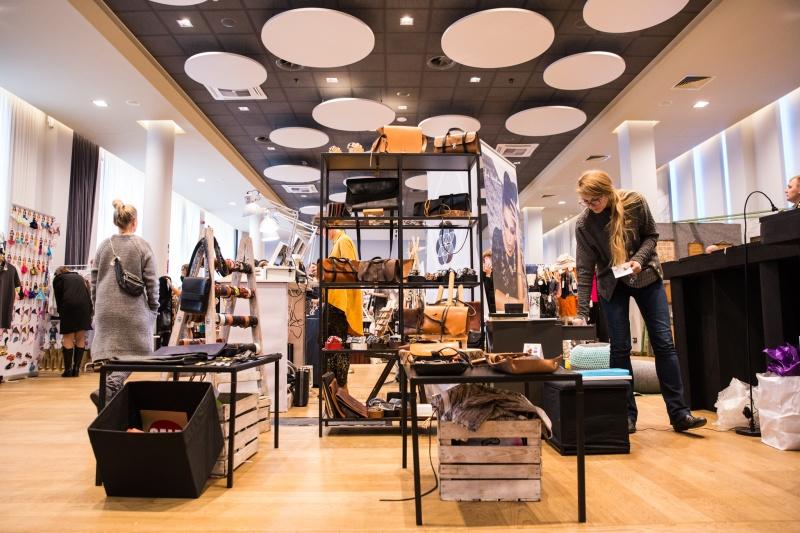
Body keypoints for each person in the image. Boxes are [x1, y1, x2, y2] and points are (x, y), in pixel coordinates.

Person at [573, 170, 706, 434]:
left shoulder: (634, 202)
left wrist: (639, 260)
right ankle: (625, 415)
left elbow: (651, 235)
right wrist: (582, 311)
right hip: (612, 284)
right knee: (619, 348)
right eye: (585, 201)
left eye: (594, 200)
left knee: (664, 343)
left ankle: (680, 413)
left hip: (646, 277)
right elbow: (585, 268)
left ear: (607, 192)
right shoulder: (584, 224)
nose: (590, 206)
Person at [90, 200, 159, 408]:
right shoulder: (141, 246)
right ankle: (110, 386)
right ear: (134, 222)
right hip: (132, 310)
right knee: (137, 353)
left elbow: (93, 281)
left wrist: (97, 306)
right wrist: (153, 308)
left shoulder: (103, 246)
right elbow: (152, 282)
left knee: (110, 355)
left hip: (104, 309)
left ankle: (109, 403)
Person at [323, 227, 362, 392]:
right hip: (336, 303)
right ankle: (336, 389)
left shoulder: (343, 241)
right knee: (333, 346)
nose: (323, 234)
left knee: (338, 346)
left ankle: (342, 389)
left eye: (323, 230)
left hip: (339, 304)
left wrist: (324, 270)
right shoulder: (338, 242)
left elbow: (349, 271)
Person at [491, 173, 526, 312]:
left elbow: (524, 301)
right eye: (505, 225)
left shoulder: (518, 252)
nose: (508, 237)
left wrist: (518, 257)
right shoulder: (497, 238)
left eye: (513, 231)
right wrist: (516, 302)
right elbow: (496, 296)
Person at [53, 266, 93, 377]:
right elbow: (87, 294)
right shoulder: (80, 277)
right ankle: (76, 369)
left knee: (68, 337)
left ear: (58, 273)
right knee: (80, 337)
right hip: (84, 307)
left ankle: (68, 370)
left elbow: (58, 297)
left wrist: (61, 312)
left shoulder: (58, 279)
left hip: (69, 306)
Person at [481, 249, 496, 314]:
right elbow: (485, 290)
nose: (487, 262)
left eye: (489, 259)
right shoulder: (482, 273)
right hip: (486, 304)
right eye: (486, 259)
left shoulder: (496, 272)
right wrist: (487, 274)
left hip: (495, 304)